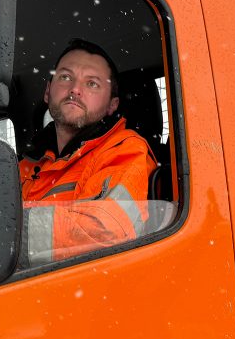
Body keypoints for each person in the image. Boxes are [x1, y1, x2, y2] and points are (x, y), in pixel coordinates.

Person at [18, 39, 157, 266]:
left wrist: (4, 233)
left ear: (112, 105)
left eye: (92, 83)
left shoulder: (125, 149)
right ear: (47, 91)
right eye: (65, 77)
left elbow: (107, 231)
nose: (75, 89)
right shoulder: (27, 162)